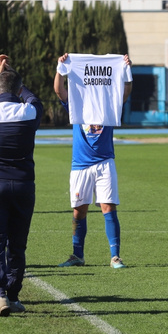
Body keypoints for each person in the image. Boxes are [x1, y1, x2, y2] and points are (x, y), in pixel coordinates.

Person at [0, 55, 43, 317]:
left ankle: (0, 295)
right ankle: (13, 294)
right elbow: (34, 99)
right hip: (24, 185)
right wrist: (15, 79)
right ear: (18, 91)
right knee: (18, 244)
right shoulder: (28, 112)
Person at [53, 53, 132, 269]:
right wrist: (61, 69)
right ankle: (77, 255)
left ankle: (115, 256)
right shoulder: (77, 103)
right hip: (80, 164)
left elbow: (125, 92)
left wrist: (126, 71)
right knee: (79, 210)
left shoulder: (109, 103)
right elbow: (59, 91)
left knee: (108, 207)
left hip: (105, 161)